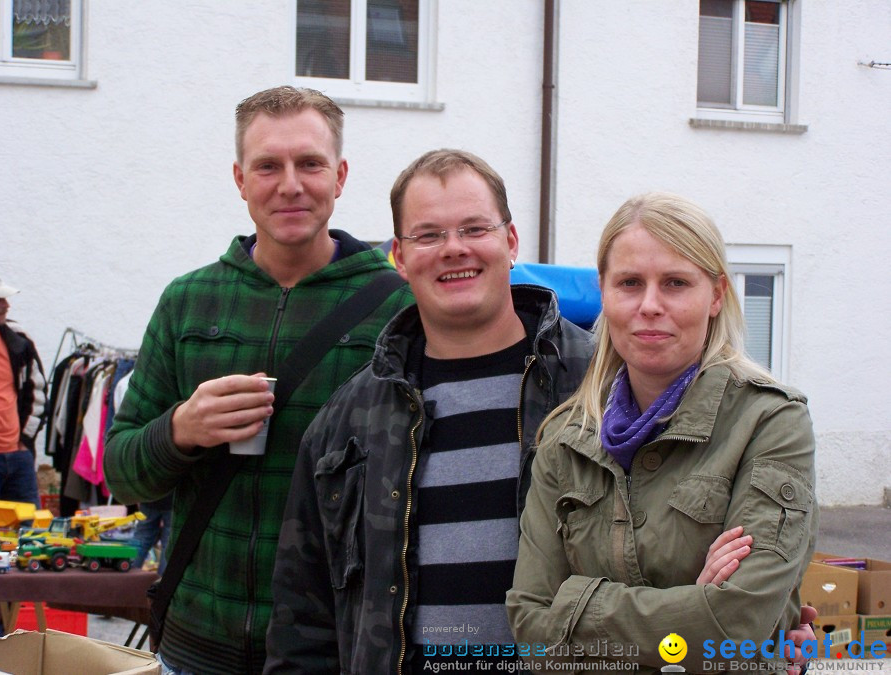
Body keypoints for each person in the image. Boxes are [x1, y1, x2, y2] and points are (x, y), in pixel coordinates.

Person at [264, 153, 765, 674]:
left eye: (474, 228)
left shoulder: (606, 387)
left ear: (511, 241)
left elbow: (713, 546)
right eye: (428, 235)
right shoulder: (348, 422)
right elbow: (304, 621)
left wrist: (764, 634)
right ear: (399, 256)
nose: (454, 248)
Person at [103, 86, 413, 674]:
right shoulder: (188, 301)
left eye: (310, 164)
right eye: (268, 165)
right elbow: (121, 471)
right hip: (197, 646)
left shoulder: (396, 308)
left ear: (340, 176)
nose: (290, 184)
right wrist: (179, 430)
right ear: (241, 179)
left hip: (333, 650)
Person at [507, 192, 818, 674]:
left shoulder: (769, 422)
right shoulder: (565, 437)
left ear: (716, 295)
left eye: (675, 283)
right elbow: (530, 630)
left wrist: (573, 606)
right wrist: (692, 605)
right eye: (629, 283)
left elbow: (737, 625)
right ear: (605, 294)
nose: (650, 305)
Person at [0, 271, 45, 507]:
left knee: (27, 534)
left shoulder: (17, 339)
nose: (7, 305)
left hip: (18, 455)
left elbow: (38, 393)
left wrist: (25, 439)